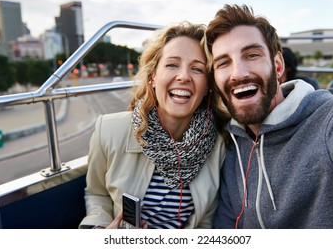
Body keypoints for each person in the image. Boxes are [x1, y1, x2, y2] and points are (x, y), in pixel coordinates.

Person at [205, 4, 333, 228]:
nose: (239, 73)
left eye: (252, 55)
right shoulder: (232, 146)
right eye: (224, 63)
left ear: (278, 65)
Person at [79, 21, 229, 229]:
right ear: (153, 77)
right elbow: (97, 194)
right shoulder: (109, 131)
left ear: (207, 87)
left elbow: (207, 220)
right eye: (172, 64)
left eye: (197, 69)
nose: (184, 76)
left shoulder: (219, 143)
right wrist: (100, 229)